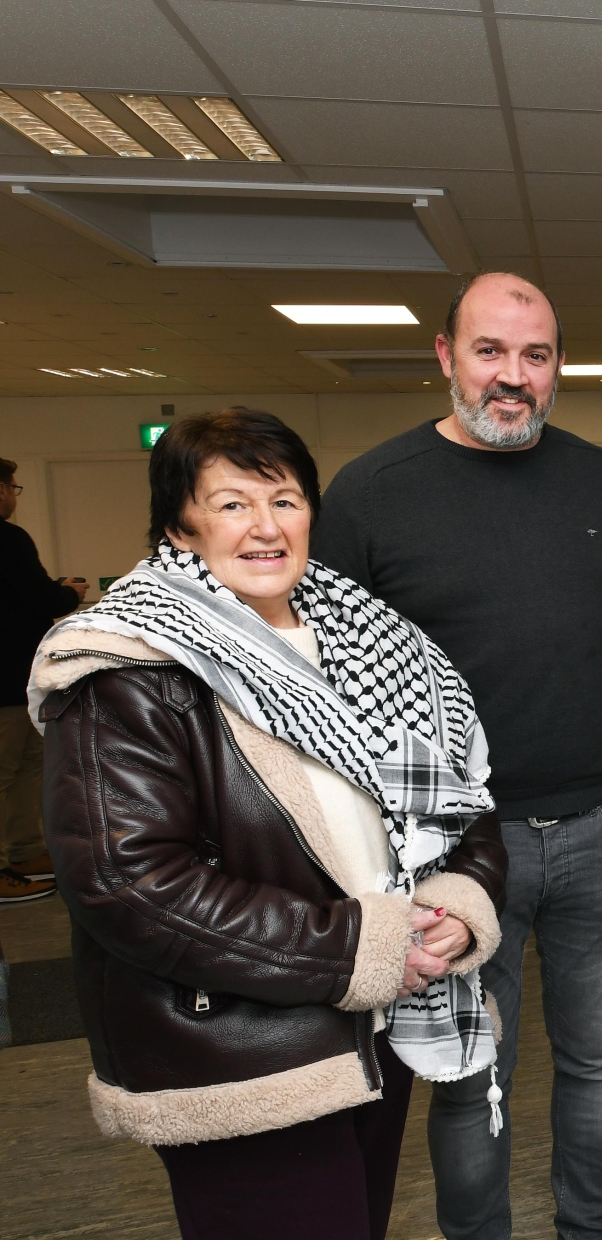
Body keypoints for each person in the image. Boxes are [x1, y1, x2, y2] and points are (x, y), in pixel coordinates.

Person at [32, 408, 504, 1240]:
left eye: (284, 500)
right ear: (178, 527)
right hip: (241, 1052)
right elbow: (126, 883)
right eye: (231, 504)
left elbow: (462, 803)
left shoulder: (378, 639)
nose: (265, 527)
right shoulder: (128, 667)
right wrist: (357, 948)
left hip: (378, 1027)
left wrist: (458, 910)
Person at [312, 272, 602, 1240]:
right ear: (446, 356)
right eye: (489, 350)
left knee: (599, 1062)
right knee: (469, 1074)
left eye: (535, 355)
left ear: (558, 365)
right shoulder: (371, 493)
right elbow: (325, 682)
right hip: (456, 852)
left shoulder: (601, 480)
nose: (513, 375)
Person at [0, 458, 85, 904]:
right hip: (7, 678)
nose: (13, 496)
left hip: (15, 682)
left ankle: (23, 851)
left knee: (25, 768)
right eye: (12, 486)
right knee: (8, 772)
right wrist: (69, 592)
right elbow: (39, 598)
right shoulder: (8, 539)